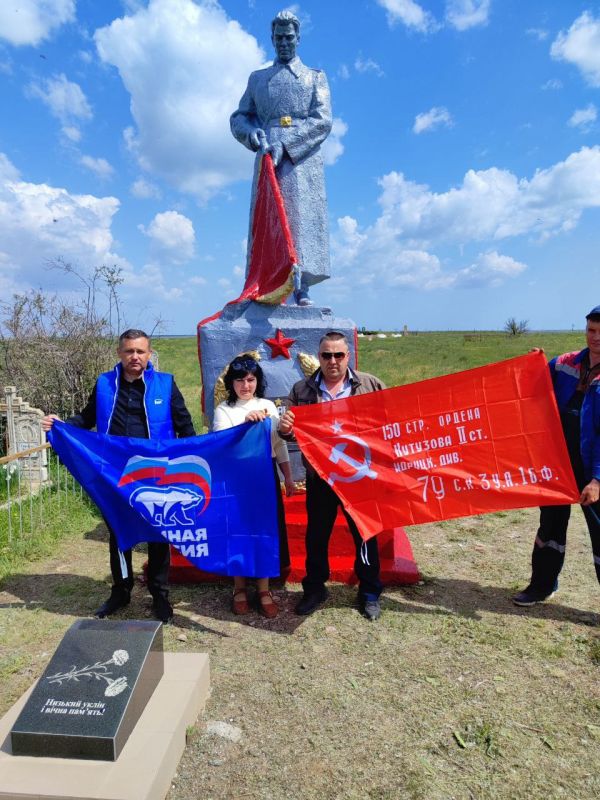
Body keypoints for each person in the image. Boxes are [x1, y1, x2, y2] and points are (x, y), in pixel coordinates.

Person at [42, 329, 195, 623]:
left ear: (149, 355)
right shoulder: (104, 384)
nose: (134, 357)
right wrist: (62, 423)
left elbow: (185, 426)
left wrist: (193, 460)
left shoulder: (166, 384)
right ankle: (121, 590)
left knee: (157, 532)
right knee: (118, 531)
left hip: (157, 471)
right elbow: (87, 418)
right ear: (119, 353)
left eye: (140, 351)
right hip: (116, 473)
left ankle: (159, 594)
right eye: (129, 351)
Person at [279, 332, 386, 620]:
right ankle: (314, 589)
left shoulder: (370, 384)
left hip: (359, 478)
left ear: (348, 356)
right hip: (321, 478)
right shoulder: (302, 390)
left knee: (365, 536)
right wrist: (286, 426)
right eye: (327, 355)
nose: (333, 361)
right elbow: (285, 431)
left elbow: (390, 421)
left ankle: (369, 591)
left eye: (339, 355)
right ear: (319, 356)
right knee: (317, 536)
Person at [230, 10, 332, 307]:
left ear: (298, 38)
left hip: (302, 156)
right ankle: (267, 283)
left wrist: (286, 145)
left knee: (300, 220)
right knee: (269, 218)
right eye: (279, 38)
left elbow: (323, 120)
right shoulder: (258, 79)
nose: (284, 43)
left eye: (289, 37)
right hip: (267, 155)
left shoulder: (315, 78)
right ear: (272, 40)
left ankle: (302, 287)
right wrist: (253, 135)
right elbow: (239, 117)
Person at [513, 306, 600, 606]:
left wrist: (597, 480)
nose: (595, 338)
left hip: (593, 470)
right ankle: (542, 586)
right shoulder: (565, 363)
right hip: (558, 463)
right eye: (591, 330)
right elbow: (533, 385)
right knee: (549, 527)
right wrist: (532, 363)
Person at [213, 355, 294, 618]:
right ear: (231, 383)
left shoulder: (269, 406)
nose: (245, 385)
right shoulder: (223, 409)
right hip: (237, 478)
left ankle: (263, 589)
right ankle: (238, 588)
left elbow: (278, 444)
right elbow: (222, 444)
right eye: (240, 380)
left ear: (257, 381)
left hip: (266, 475)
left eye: (250, 379)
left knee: (265, 531)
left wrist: (288, 476)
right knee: (238, 531)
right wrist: (247, 423)